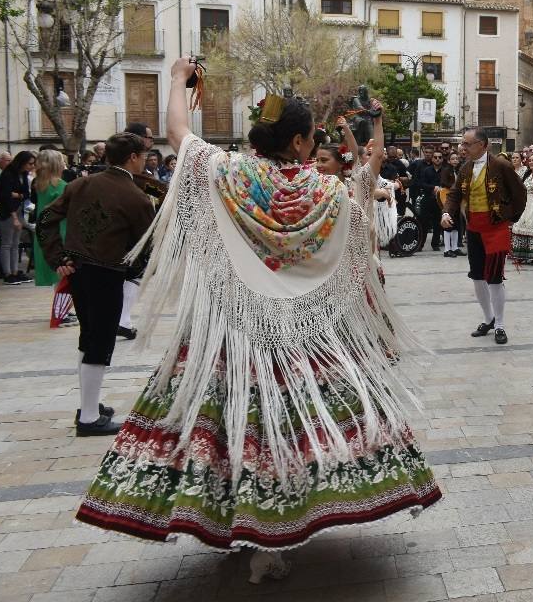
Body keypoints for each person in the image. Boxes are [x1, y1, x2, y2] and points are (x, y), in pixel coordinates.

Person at [73, 58, 440, 580]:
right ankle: (279, 530)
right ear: (296, 144)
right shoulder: (326, 193)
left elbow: (179, 133)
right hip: (304, 339)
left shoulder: (230, 174)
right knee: (298, 430)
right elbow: (363, 195)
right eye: (312, 138)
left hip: (234, 335)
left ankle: (245, 526)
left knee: (235, 430)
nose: (315, 147)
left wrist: (178, 80)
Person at [37, 133, 154, 437]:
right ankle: (89, 418)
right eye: (143, 155)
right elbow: (146, 245)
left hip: (78, 271)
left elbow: (46, 218)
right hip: (106, 274)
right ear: (132, 158)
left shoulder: (82, 183)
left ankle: (89, 404)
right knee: (99, 343)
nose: (145, 160)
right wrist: (135, 273)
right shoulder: (136, 196)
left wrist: (58, 256)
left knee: (88, 338)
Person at [441, 128, 527, 345]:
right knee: (477, 276)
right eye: (462, 144)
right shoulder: (465, 168)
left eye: (467, 144)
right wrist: (446, 212)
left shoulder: (501, 165)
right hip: (473, 229)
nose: (462, 148)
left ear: (482, 145)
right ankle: (488, 319)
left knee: (495, 278)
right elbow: (454, 194)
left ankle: (500, 324)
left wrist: (511, 218)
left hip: (496, 229)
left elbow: (520, 193)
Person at [0, 150, 35, 285]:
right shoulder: (8, 175)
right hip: (8, 212)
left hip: (18, 209)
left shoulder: (22, 175)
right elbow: (5, 196)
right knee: (7, 243)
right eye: (29, 163)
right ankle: (7, 273)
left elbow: (25, 193)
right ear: (22, 162)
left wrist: (17, 195)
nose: (31, 166)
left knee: (15, 244)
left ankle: (14, 270)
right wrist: (14, 217)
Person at [31, 150, 69, 288]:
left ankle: (60, 308)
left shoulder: (39, 183)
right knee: (64, 275)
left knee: (57, 275)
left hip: (43, 230)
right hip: (60, 231)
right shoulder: (60, 185)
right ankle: (61, 308)